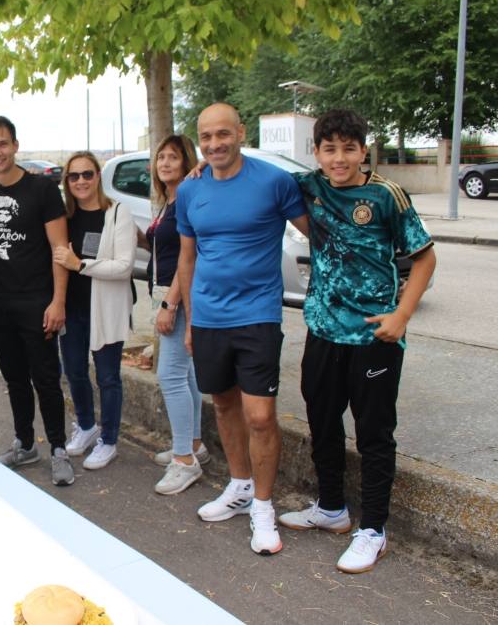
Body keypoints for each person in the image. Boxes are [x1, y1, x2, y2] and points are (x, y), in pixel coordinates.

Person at [278, 110, 435, 573]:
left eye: (349, 148)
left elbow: (424, 258)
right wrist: (207, 165)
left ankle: (374, 529)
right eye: (330, 149)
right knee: (322, 421)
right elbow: (258, 175)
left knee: (373, 432)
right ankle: (331, 508)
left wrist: (402, 315)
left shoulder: (387, 195)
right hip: (323, 331)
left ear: (363, 150)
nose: (339, 158)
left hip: (374, 336)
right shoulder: (310, 185)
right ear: (317, 153)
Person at [176, 103, 309, 556]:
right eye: (206, 137)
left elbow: (317, 233)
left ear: (240, 132)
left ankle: (264, 508)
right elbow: (187, 259)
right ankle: (239, 487)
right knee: (224, 405)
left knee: (260, 416)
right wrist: (191, 321)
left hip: (258, 316)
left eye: (222, 134)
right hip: (209, 318)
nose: (214, 144)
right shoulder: (191, 191)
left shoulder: (274, 182)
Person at [0, 116, 74, 486]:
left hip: (37, 301)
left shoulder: (42, 189)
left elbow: (60, 249)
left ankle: (59, 449)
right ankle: (25, 443)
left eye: (2, 144)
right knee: (14, 377)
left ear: (15, 145)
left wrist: (58, 301)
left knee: (45, 377)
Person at [136, 134, 211, 495]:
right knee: (188, 375)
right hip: (167, 292)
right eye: (160, 157)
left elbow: (189, 256)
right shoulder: (170, 199)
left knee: (170, 375)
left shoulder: (187, 197)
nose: (165, 163)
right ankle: (194, 445)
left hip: (177, 295)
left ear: (187, 162)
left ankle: (185, 461)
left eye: (173, 157)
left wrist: (171, 304)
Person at [52, 151, 135, 470]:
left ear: (98, 176)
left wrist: (80, 264)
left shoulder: (118, 213)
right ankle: (87, 427)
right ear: (67, 181)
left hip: (106, 308)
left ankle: (109, 439)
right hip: (71, 307)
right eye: (74, 176)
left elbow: (125, 266)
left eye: (87, 174)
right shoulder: (64, 217)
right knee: (73, 370)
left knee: (108, 377)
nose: (81, 181)